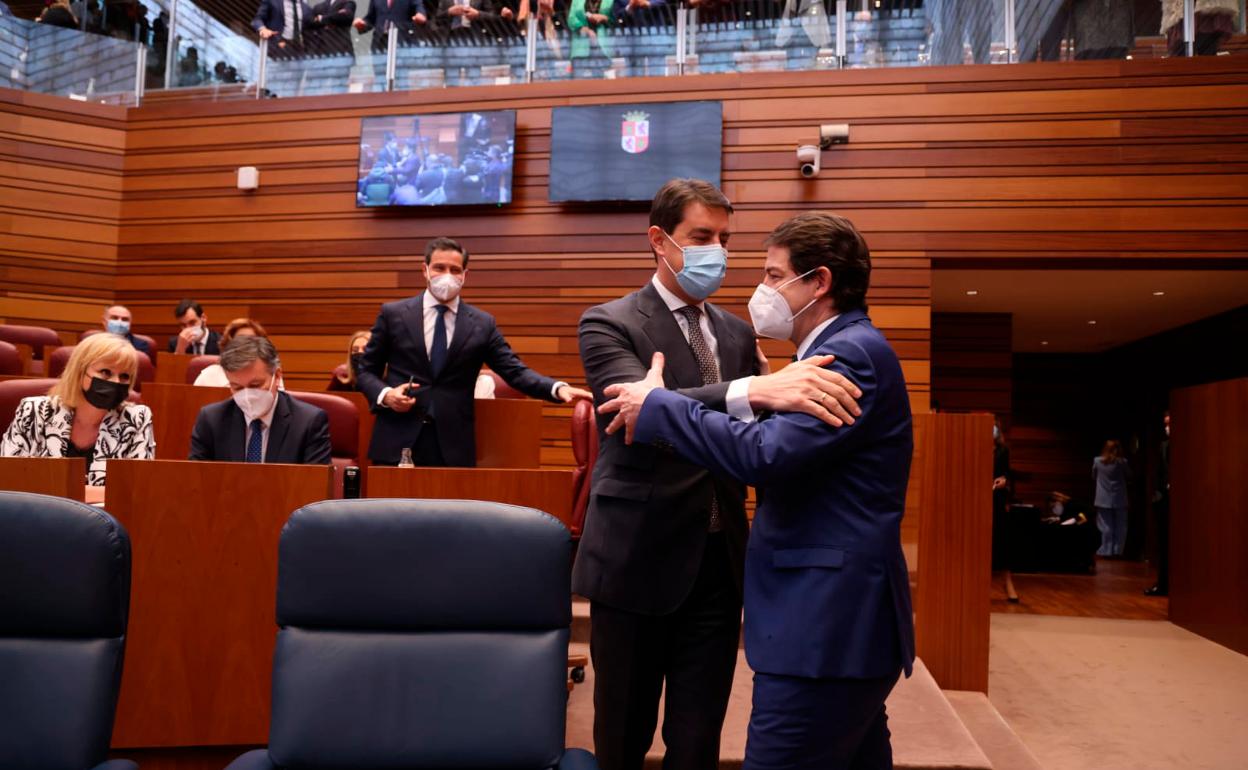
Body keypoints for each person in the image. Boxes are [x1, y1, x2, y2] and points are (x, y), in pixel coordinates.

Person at [598, 211, 915, 770]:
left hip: (823, 625)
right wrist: (762, 391)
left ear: (818, 282)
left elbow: (762, 455)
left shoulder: (848, 356)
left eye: (773, 276)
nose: (761, 289)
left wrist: (659, 404)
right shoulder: (827, 353)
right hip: (830, 621)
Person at [356, 236, 590, 467]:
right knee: (390, 507)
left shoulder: (482, 323)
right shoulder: (393, 314)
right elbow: (366, 371)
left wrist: (556, 388)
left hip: (452, 447)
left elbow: (514, 371)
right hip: (397, 440)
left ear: (464, 276)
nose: (447, 275)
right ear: (425, 270)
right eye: (439, 267)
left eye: (455, 269)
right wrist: (386, 395)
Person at [1, 333, 154, 487]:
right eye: (106, 372)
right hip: (37, 509)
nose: (116, 382)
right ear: (80, 372)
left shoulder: (137, 419)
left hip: (105, 511)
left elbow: (137, 490)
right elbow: (7, 478)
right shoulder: (34, 411)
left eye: (124, 376)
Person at [189, 336, 331, 464]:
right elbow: (197, 483)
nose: (247, 396)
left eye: (255, 385)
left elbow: (316, 487)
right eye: (237, 387)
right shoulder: (211, 420)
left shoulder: (309, 423)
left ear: (277, 376)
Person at [193, 318, 272, 387]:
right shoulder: (207, 378)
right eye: (240, 340)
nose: (246, 346)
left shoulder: (270, 375)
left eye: (251, 341)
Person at [1146, 412, 1171, 595]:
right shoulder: (1164, 445)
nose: (1167, 427)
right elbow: (1160, 473)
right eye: (1165, 424)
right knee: (1164, 546)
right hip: (1165, 501)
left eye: (1169, 424)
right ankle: (1162, 584)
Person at [1093, 439, 1131, 557]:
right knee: (1121, 525)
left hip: (1102, 498)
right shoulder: (1122, 462)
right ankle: (1118, 550)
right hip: (1120, 497)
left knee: (1105, 525)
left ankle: (1106, 550)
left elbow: (1093, 476)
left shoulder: (1097, 461)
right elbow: (1129, 475)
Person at [353, 0, 428, 53]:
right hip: (380, 45)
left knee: (399, 75)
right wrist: (362, 24)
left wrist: (421, 16)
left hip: (402, 44)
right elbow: (371, 18)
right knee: (380, 74)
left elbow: (419, 10)